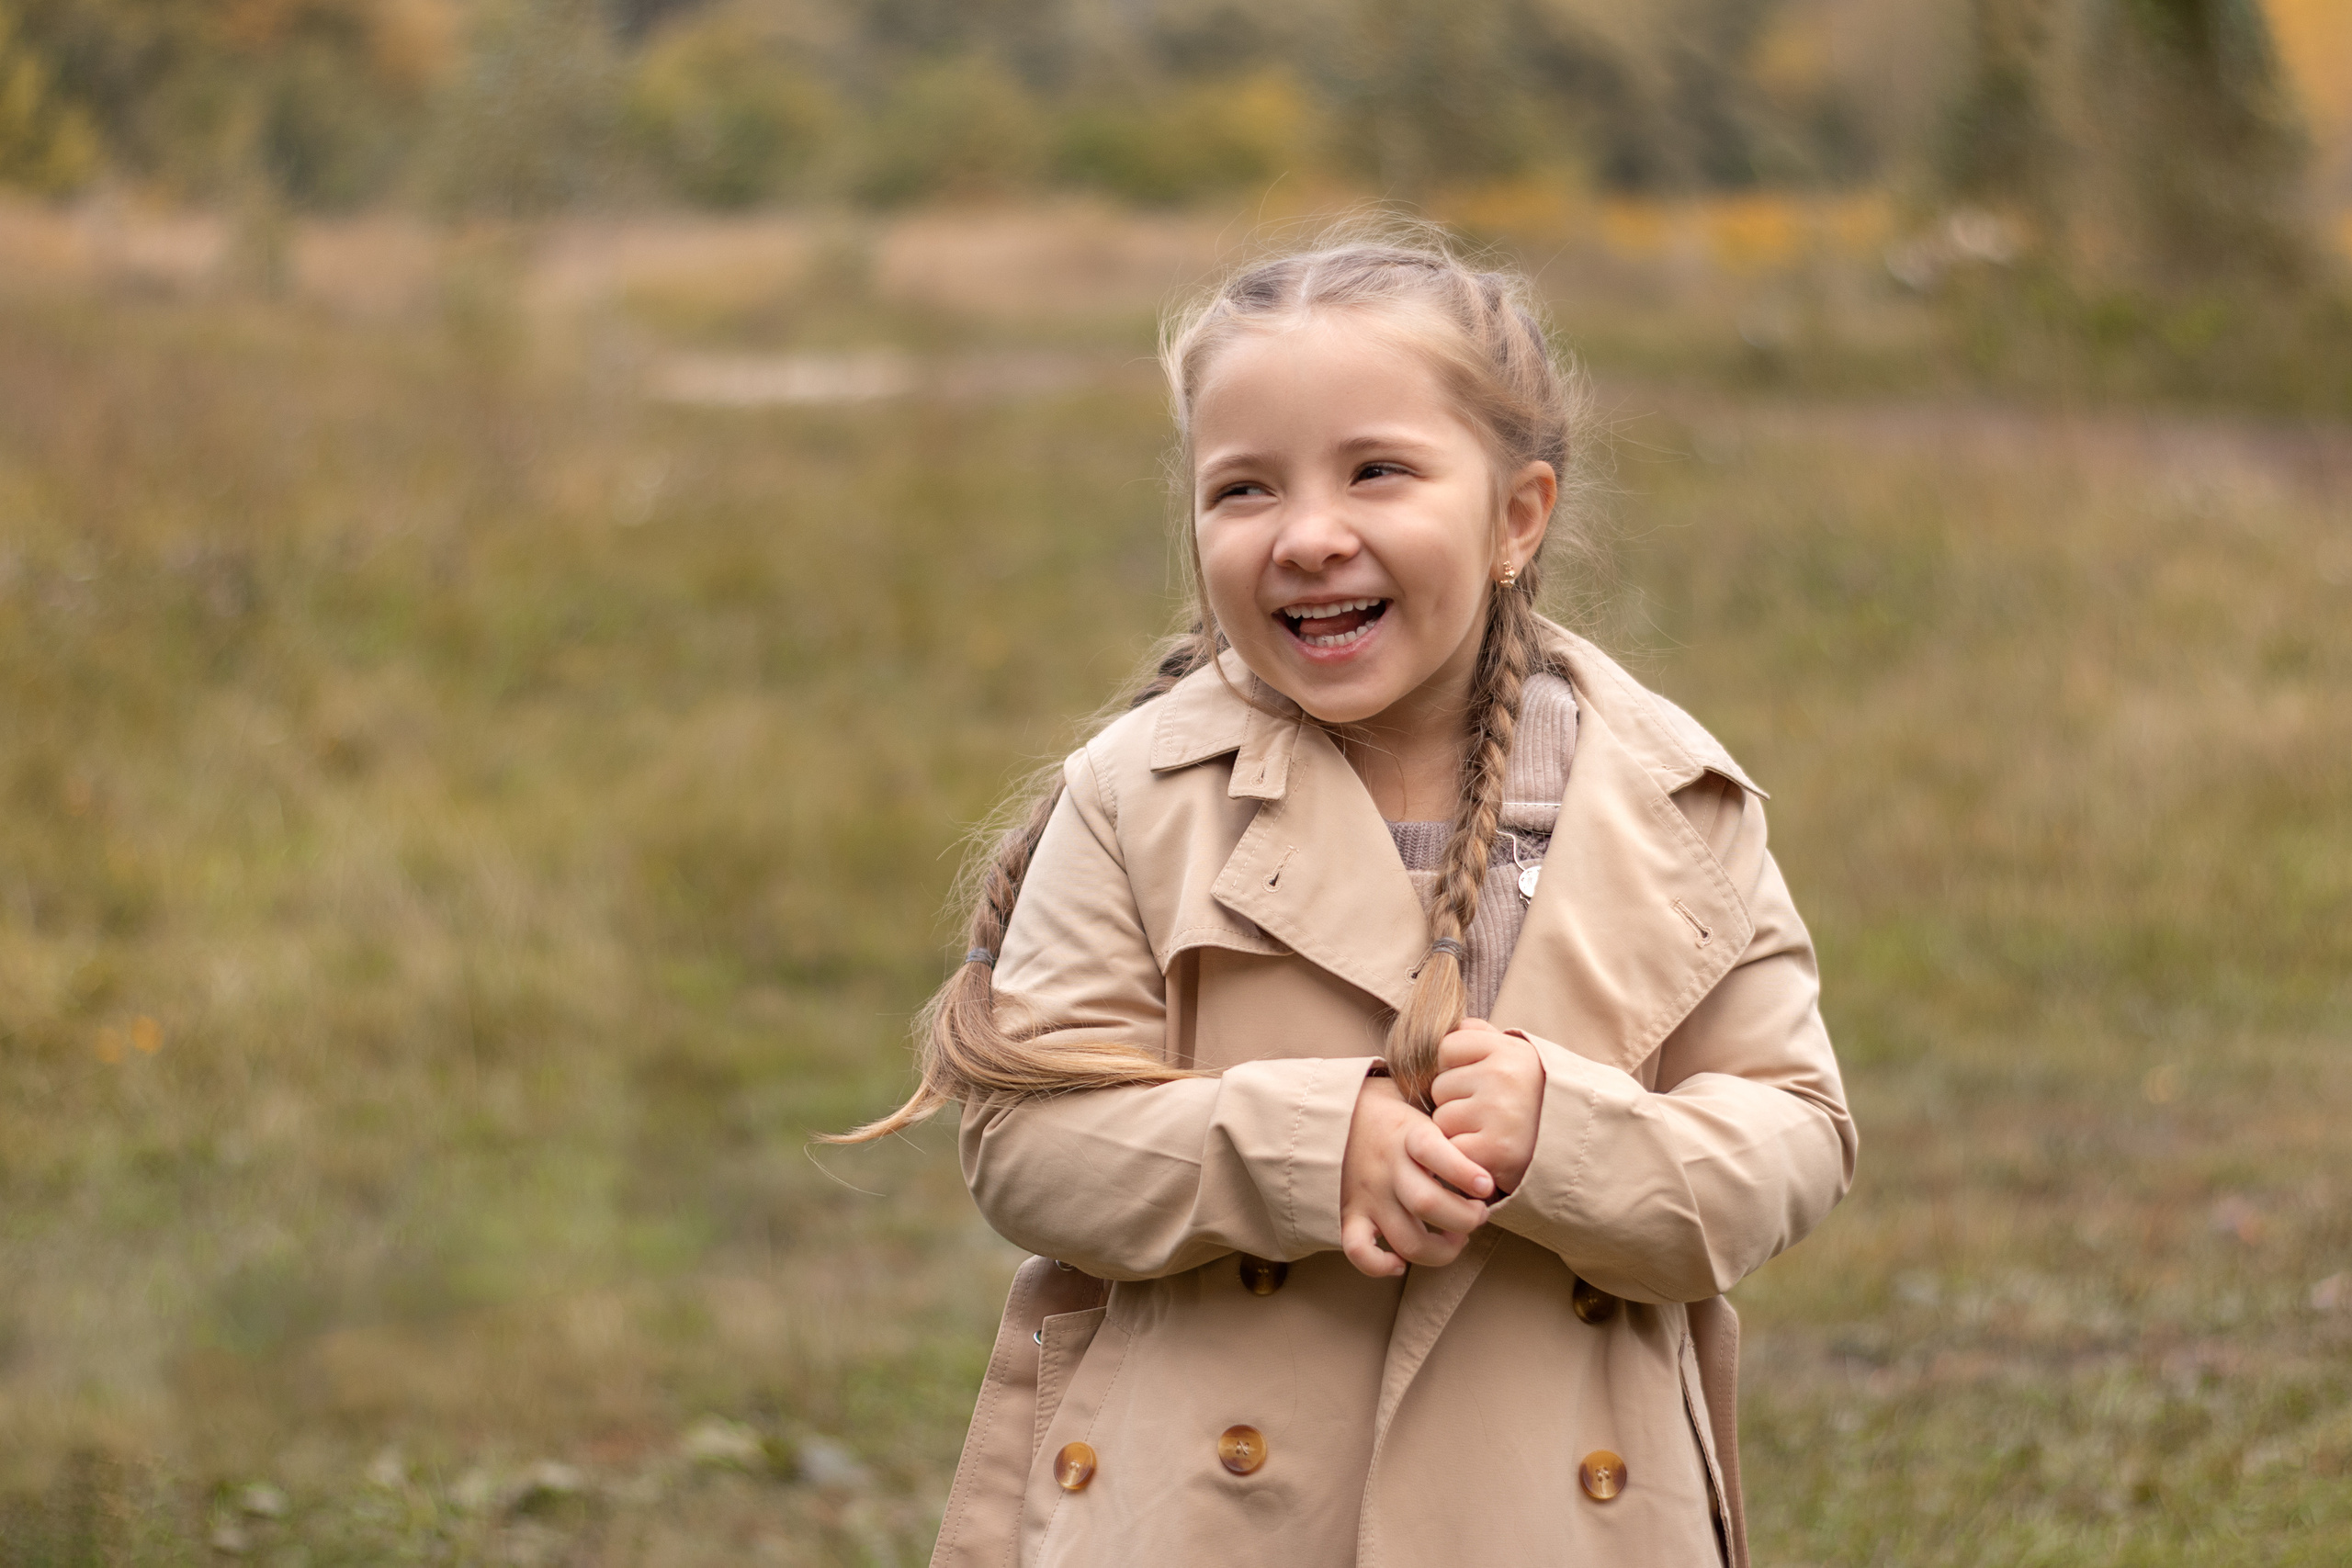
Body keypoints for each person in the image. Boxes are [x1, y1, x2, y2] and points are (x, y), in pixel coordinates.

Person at [834, 226, 1857, 1568]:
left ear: (1516, 516)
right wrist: (1311, 1147)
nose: (1311, 537)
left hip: (1555, 1515)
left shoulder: (1670, 800)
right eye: (1244, 491)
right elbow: (1029, 1147)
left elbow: (1793, 1137)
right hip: (1206, 1519)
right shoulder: (1140, 793)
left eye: (1378, 471)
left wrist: (1569, 1137)